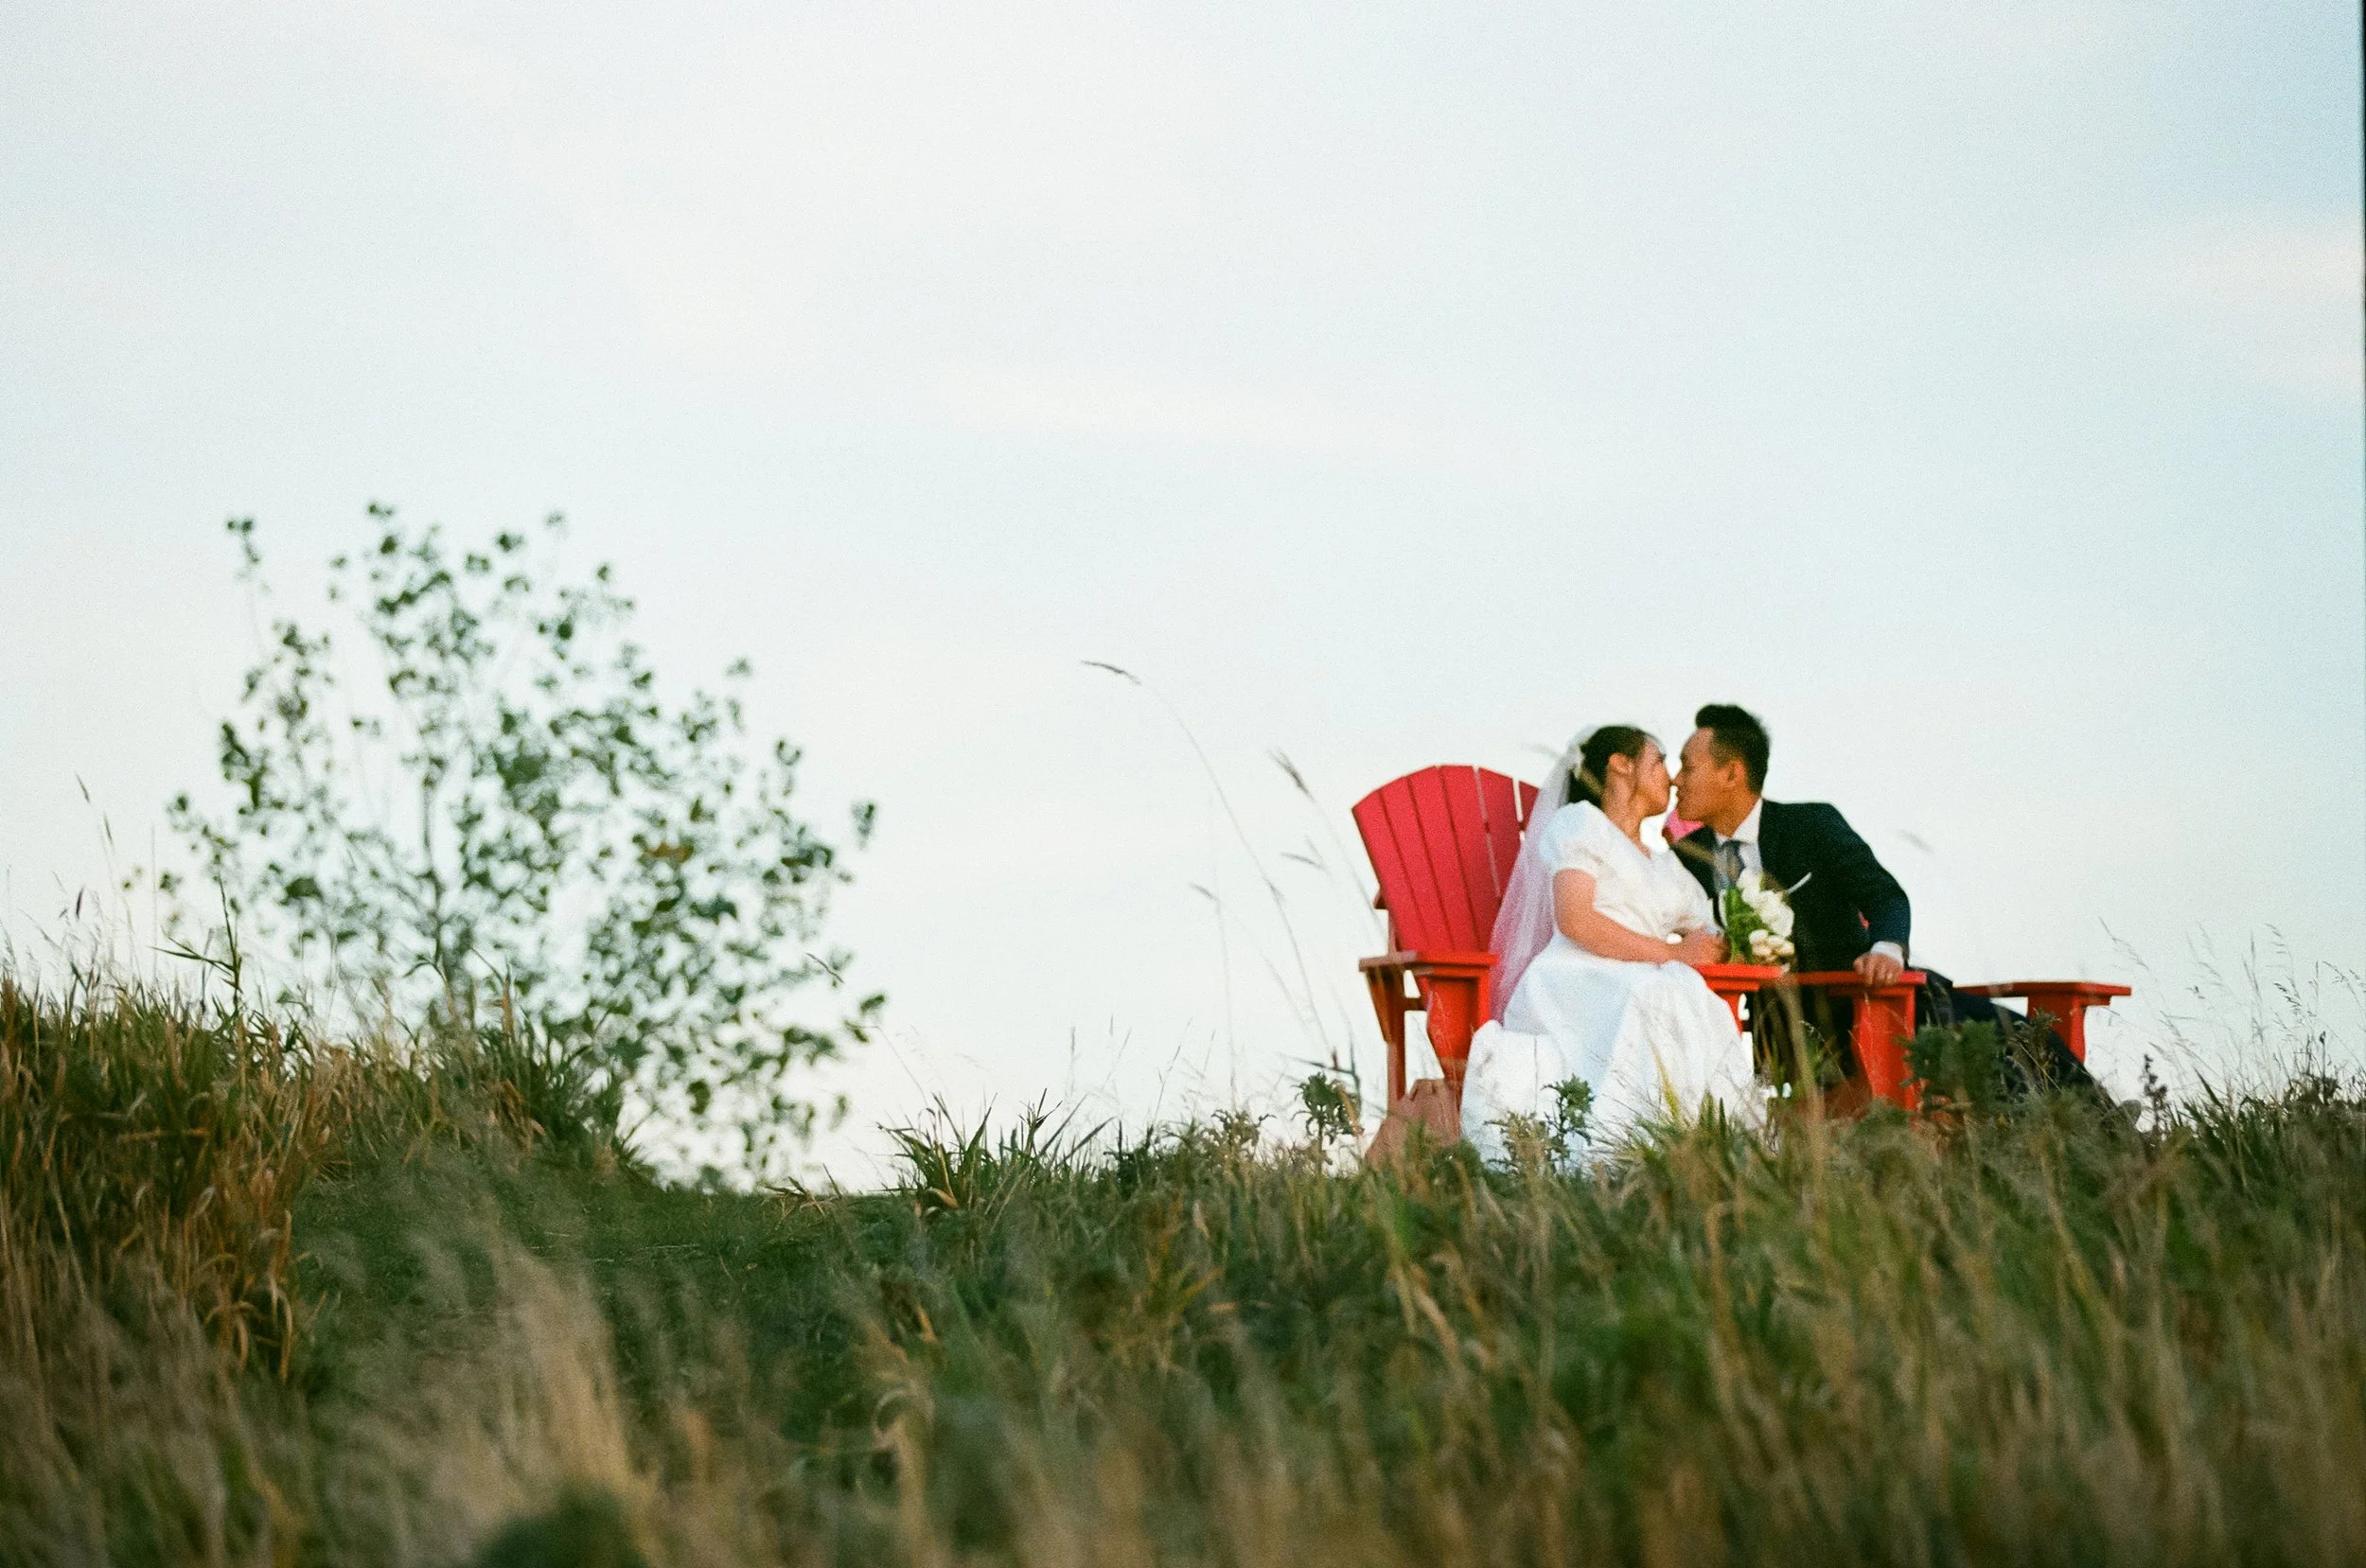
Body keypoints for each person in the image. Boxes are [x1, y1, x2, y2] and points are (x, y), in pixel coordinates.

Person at [1670, 703, 2092, 1093]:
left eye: (1688, 767)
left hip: (1877, 999)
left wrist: (1887, 950)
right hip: (1780, 1029)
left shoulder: (1812, 825)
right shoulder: (1683, 861)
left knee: (2020, 1038)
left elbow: (1884, 895)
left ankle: (2110, 1133)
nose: (1676, 779)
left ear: (1732, 774)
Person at [1457, 726, 1764, 1165]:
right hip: (1574, 977)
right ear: (1621, 765)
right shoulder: (1582, 824)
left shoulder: (1664, 865)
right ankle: (1620, 1153)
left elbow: (1707, 931)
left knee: (1685, 998)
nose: (1673, 779)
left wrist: (1729, 939)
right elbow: (1576, 918)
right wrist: (1674, 954)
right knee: (1658, 994)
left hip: (1641, 978)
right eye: (1658, 762)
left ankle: (1696, 1153)